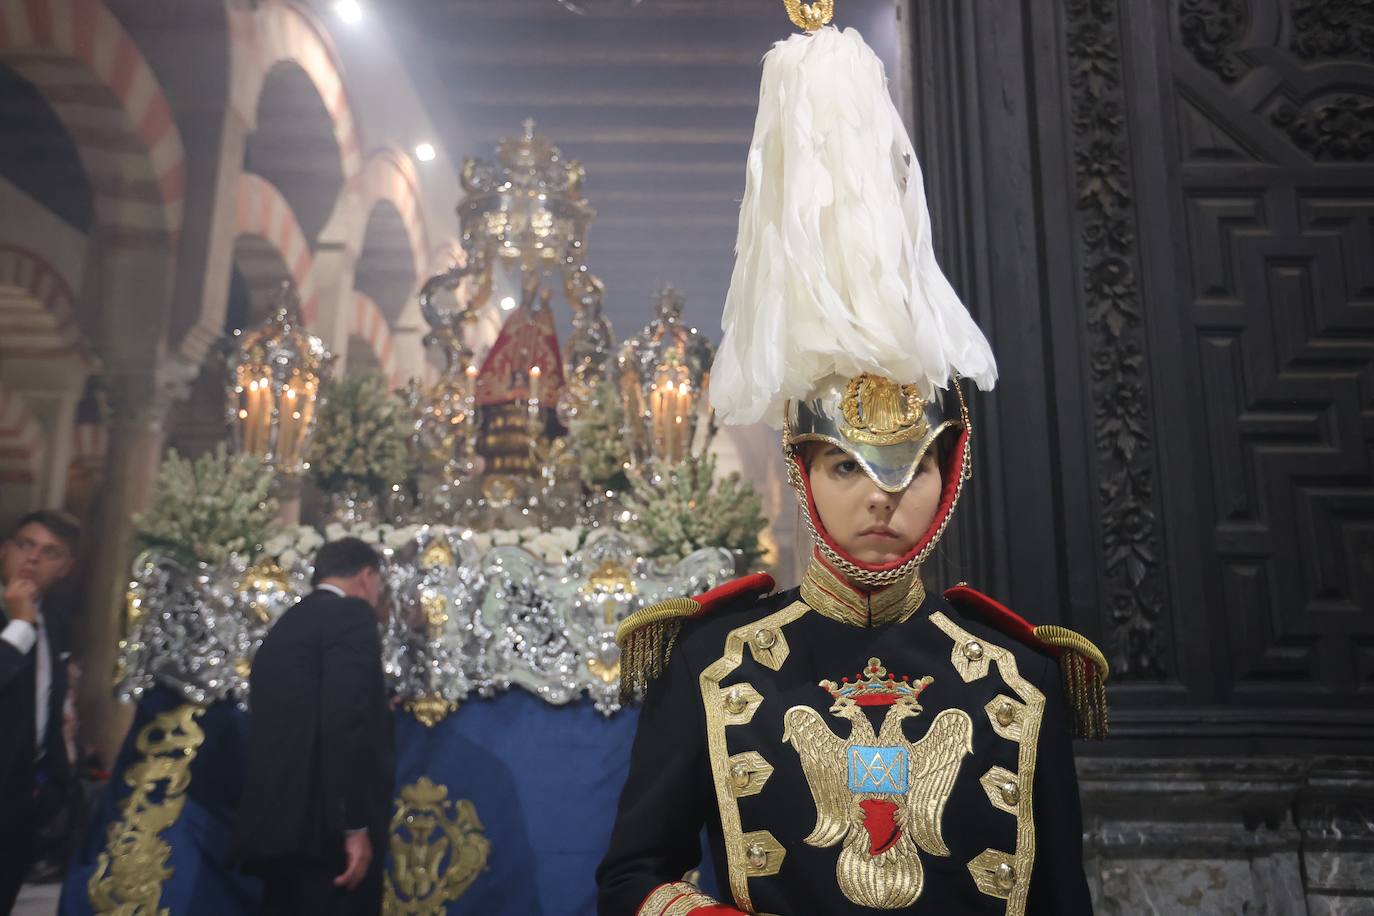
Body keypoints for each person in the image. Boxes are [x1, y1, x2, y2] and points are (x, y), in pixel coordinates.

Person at [598, 9, 1108, 916]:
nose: (883, 500)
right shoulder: (712, 662)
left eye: (910, 470)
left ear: (949, 477)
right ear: (802, 475)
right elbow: (633, 878)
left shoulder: (1021, 675)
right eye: (847, 469)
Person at [230, 537, 395, 916]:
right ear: (367, 577)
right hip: (326, 830)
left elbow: (305, 708)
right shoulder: (352, 615)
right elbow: (343, 722)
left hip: (279, 827)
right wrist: (353, 825)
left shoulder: (290, 623)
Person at [0, 510, 79, 915]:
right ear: (4, 550)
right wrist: (18, 627)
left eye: (50, 552)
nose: (32, 559)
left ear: (65, 568)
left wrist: (54, 784)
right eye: (25, 545)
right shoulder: (24, 621)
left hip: (19, 803)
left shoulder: (56, 622)